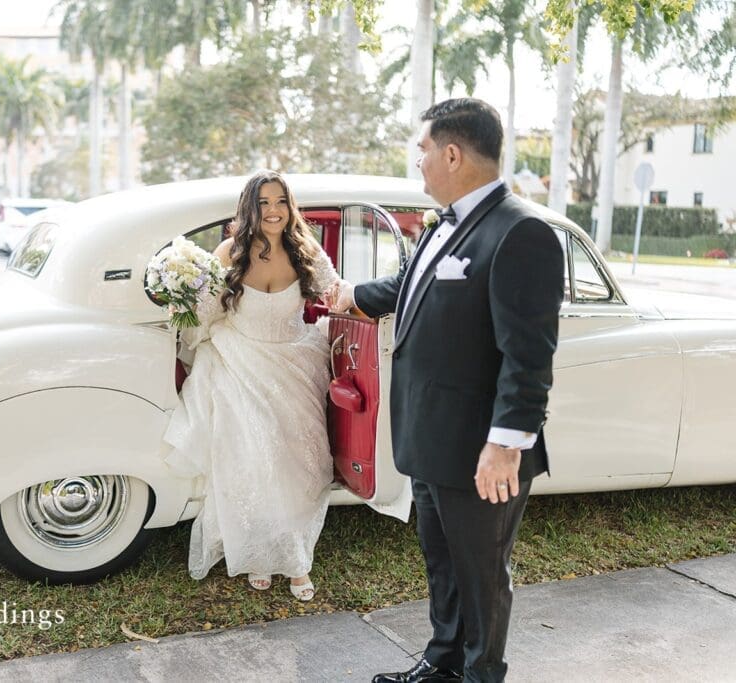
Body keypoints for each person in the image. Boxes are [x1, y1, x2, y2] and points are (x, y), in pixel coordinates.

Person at [330, 98, 564, 682]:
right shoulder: (447, 223)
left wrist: (505, 444)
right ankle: (443, 664)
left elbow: (528, 354)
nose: (419, 162)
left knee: (482, 576)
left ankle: (482, 674)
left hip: (481, 450)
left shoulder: (522, 231)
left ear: (452, 153)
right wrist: (350, 293)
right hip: (433, 440)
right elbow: (410, 287)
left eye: (423, 150)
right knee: (445, 567)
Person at [164, 170, 338, 602]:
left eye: (281, 201)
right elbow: (204, 314)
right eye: (263, 203)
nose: (274, 210)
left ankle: (297, 557)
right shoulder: (229, 252)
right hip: (240, 359)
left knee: (301, 462)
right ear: (250, 208)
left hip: (295, 360)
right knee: (254, 456)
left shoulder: (305, 250)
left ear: (290, 206)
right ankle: (258, 554)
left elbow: (335, 292)